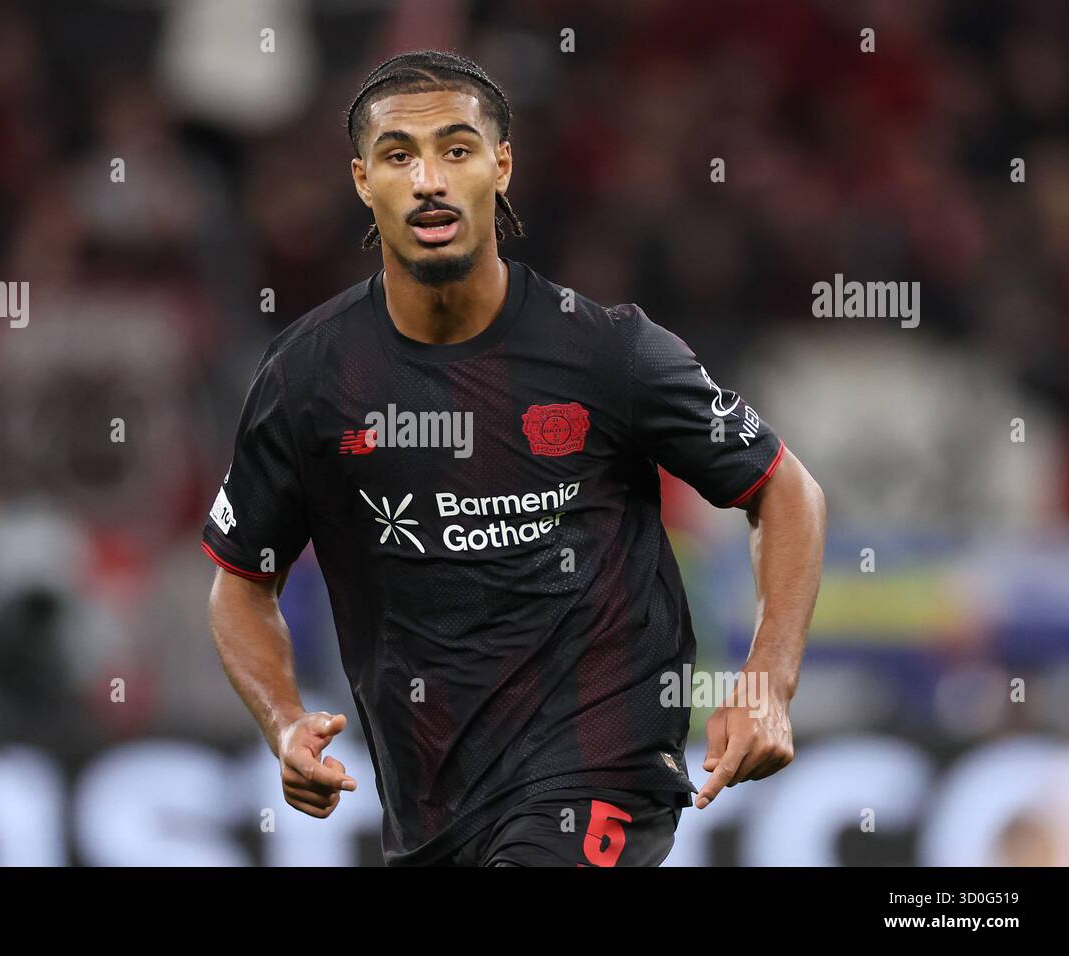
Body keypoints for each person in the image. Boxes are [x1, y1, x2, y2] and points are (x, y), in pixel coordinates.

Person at [203, 50, 826, 866]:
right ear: (362, 181)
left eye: (457, 150)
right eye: (400, 156)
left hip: (605, 764)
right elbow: (242, 584)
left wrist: (767, 681)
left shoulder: (609, 353)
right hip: (430, 809)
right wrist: (284, 722)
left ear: (501, 165)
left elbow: (784, 492)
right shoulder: (310, 378)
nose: (429, 179)